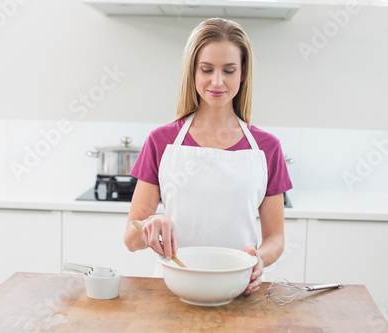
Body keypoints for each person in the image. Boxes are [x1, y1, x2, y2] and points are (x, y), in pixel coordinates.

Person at [124, 18, 292, 296]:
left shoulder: (267, 148)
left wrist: (259, 258)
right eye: (206, 69)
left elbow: (275, 238)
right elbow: (130, 239)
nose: (217, 81)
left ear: (242, 73)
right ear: (193, 72)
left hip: (239, 291)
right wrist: (151, 224)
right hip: (173, 293)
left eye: (228, 70)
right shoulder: (161, 141)